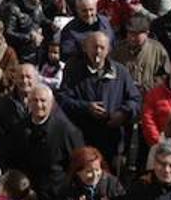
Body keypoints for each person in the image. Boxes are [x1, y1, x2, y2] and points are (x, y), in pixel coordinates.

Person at [58, 30, 141, 171]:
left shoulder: (120, 72)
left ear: (108, 50)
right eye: (94, 47)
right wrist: (86, 107)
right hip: (82, 138)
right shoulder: (73, 70)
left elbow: (136, 100)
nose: (98, 51)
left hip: (112, 140)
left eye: (102, 47)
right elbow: (62, 99)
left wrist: (123, 113)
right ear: (85, 48)